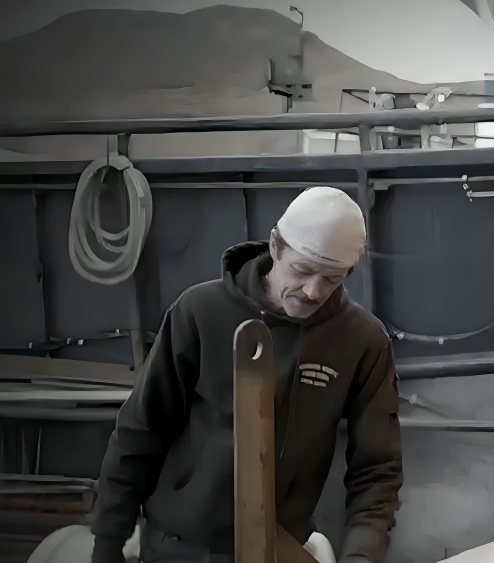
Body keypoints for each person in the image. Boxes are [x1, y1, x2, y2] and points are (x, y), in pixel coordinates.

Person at [89, 187, 402, 563]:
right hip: (181, 547)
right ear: (274, 245)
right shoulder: (200, 312)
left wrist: (362, 557)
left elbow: (377, 470)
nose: (313, 290)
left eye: (333, 278)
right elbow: (141, 430)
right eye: (302, 270)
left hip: (280, 548)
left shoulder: (361, 341)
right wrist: (107, 543)